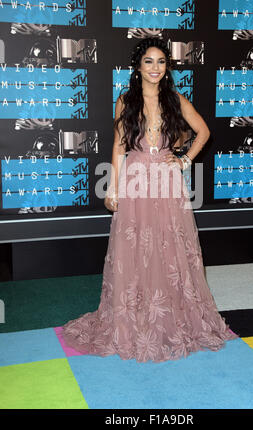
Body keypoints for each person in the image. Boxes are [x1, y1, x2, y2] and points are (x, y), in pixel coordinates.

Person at [61, 37, 237, 363]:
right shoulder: (125, 100)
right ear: (138, 67)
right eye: (148, 62)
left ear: (166, 67)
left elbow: (204, 132)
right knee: (136, 247)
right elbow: (118, 146)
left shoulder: (176, 100)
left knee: (170, 247)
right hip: (137, 178)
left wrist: (183, 160)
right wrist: (112, 188)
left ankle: (172, 315)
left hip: (168, 182)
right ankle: (134, 318)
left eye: (160, 62)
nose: (155, 68)